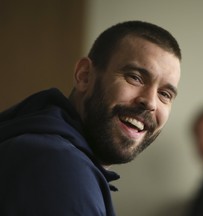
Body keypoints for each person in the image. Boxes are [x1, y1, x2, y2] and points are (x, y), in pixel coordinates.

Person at [0, 21, 181, 216]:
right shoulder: (58, 165)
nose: (151, 102)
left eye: (165, 94)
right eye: (135, 77)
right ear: (85, 76)